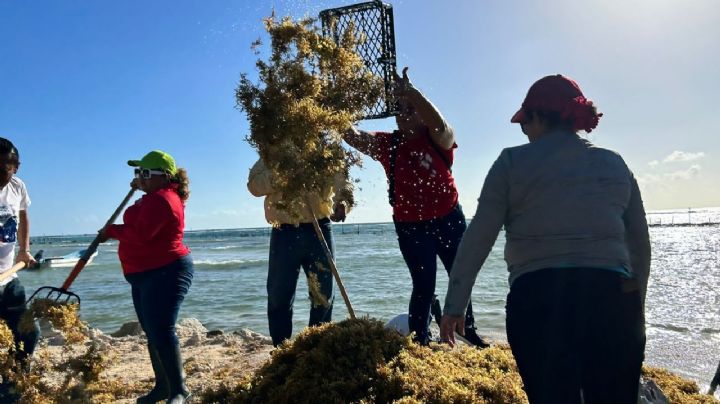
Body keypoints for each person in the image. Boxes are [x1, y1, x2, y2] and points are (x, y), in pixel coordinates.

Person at [441, 74, 650, 403]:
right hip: (612, 302)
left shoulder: (511, 163)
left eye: (525, 124)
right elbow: (639, 244)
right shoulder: (614, 163)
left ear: (539, 117)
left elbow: (478, 238)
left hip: (539, 302)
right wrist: (636, 307)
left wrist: (454, 306)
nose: (525, 133)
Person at [343, 67, 486, 347]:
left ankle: (466, 329)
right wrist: (334, 109)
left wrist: (411, 92)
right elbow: (352, 136)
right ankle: (421, 338)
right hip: (411, 226)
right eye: (400, 108)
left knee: (460, 277)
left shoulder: (438, 139)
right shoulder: (389, 144)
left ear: (422, 112)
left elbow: (442, 125)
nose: (405, 112)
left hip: (449, 218)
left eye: (412, 108)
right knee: (423, 284)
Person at [99, 150, 193, 404]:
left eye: (144, 173)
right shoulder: (151, 197)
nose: (139, 177)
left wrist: (111, 231)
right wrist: (141, 185)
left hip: (165, 271)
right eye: (137, 173)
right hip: (143, 274)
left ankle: (179, 390)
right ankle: (163, 387)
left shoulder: (162, 199)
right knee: (153, 332)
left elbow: (142, 234)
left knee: (162, 330)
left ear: (163, 176)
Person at [247, 158, 354, 347]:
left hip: (319, 227)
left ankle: (315, 346)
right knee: (279, 295)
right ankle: (281, 348)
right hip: (284, 231)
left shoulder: (324, 152)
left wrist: (343, 202)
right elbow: (254, 187)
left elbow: (343, 184)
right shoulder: (274, 153)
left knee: (323, 295)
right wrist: (281, 173)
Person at [0, 137, 39, 395]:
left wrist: (24, 250)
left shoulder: (17, 186)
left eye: (4, 169)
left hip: (8, 279)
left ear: (15, 166)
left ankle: (15, 382)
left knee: (28, 332)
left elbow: (24, 216)